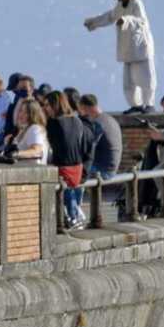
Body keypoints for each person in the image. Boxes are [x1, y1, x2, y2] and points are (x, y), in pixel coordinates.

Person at [83, 0, 156, 111]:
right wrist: (94, 22)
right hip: (127, 50)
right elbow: (110, 17)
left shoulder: (136, 3)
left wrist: (127, 20)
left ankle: (149, 104)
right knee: (128, 83)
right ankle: (136, 105)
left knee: (146, 78)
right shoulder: (120, 6)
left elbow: (142, 21)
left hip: (140, 48)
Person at [44, 91, 95, 228]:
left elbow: (52, 146)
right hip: (77, 166)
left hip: (62, 166)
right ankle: (75, 217)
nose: (45, 108)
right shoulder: (76, 121)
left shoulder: (53, 123)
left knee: (65, 194)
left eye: (48, 104)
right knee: (70, 193)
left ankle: (73, 218)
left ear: (55, 105)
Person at [77, 94, 123, 178]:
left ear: (85, 107)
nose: (80, 113)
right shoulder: (110, 119)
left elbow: (89, 147)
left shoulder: (97, 123)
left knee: (71, 174)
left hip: (102, 169)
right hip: (112, 168)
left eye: (80, 109)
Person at [9, 99, 48, 165]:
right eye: (21, 110)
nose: (21, 114)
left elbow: (37, 151)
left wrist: (15, 153)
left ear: (33, 114)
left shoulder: (35, 128)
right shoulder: (24, 129)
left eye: (26, 112)